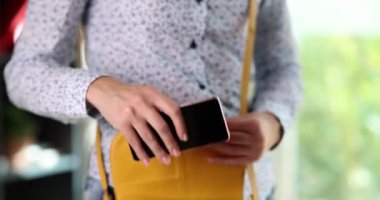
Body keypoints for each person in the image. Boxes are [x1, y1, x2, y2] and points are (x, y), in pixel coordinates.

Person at [4, 0, 302, 199]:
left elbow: (282, 68)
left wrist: (272, 122)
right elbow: (24, 72)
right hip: (127, 186)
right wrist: (99, 89)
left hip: (247, 187)